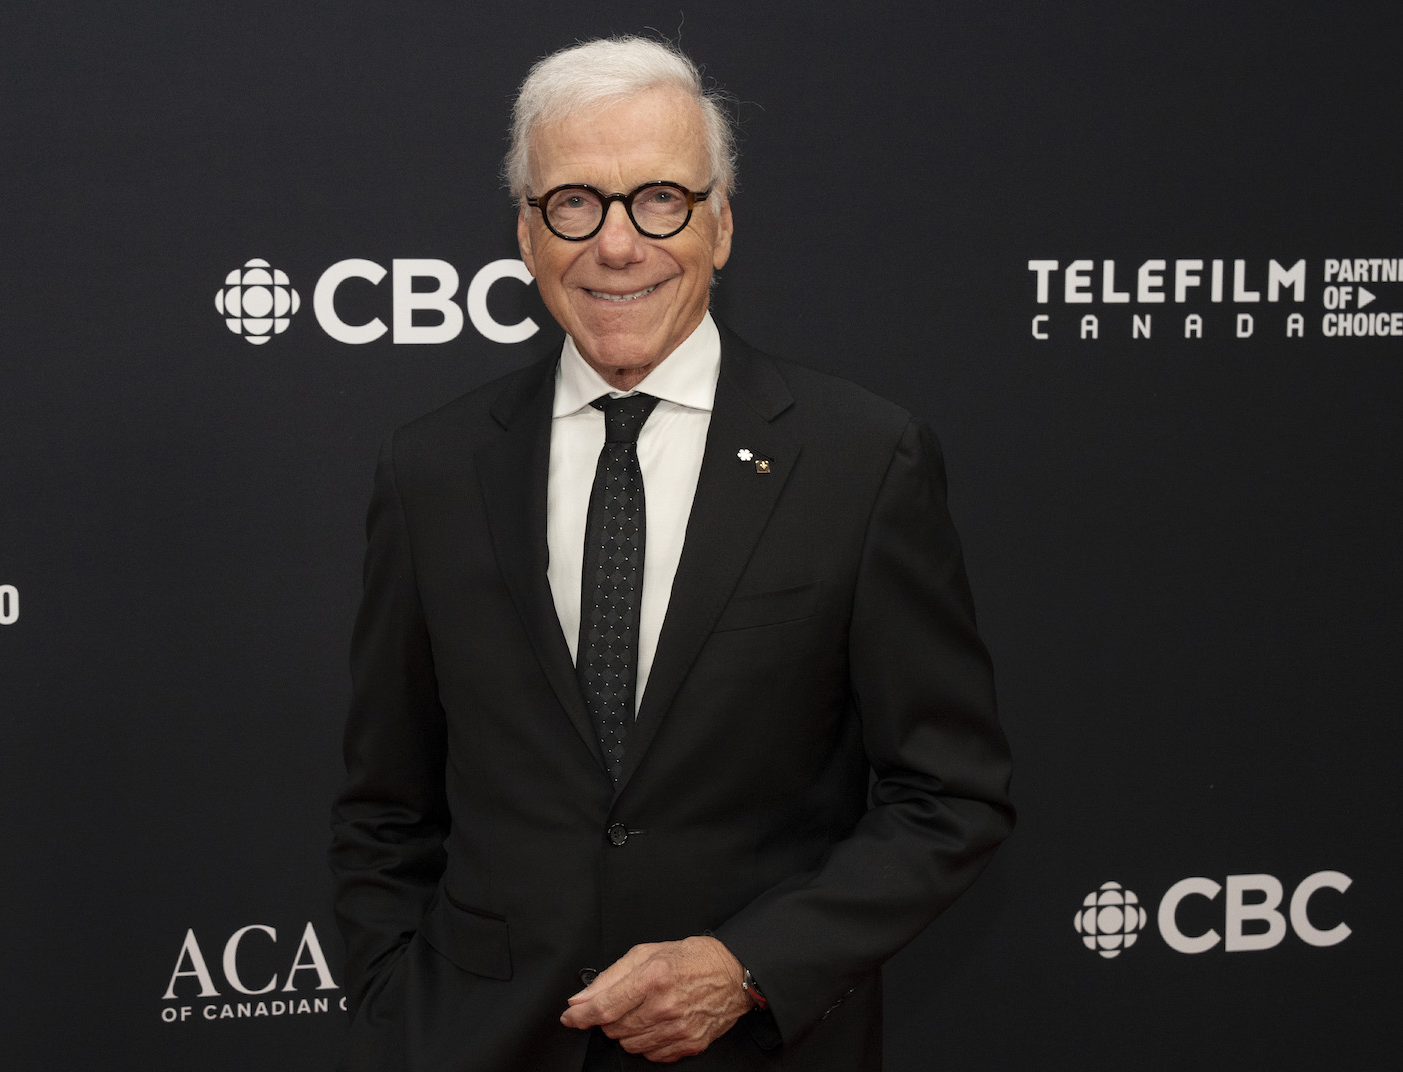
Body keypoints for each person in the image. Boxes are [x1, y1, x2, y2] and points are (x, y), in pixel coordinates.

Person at [330, 35, 1013, 1071]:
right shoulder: (431, 470)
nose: (617, 245)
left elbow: (950, 794)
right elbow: (387, 802)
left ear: (721, 223)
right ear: (525, 230)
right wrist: (399, 1016)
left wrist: (749, 966)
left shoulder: (862, 459)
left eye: (660, 199)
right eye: (574, 203)